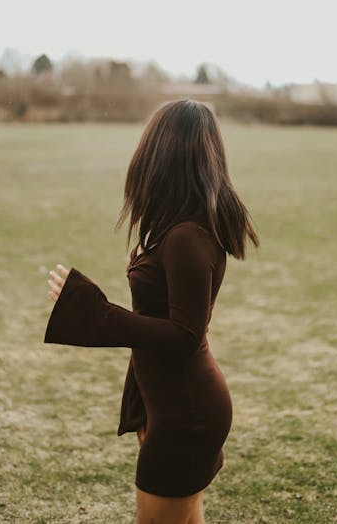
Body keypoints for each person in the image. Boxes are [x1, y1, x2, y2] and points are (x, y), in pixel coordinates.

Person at [44, 99, 259, 524]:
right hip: (171, 402)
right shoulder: (178, 226)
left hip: (187, 412)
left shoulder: (186, 237)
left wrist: (96, 312)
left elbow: (184, 333)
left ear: (162, 155)